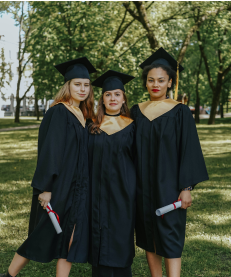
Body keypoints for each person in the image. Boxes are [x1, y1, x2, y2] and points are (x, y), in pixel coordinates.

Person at [0, 57, 96, 277]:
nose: (82, 89)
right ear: (68, 85)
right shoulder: (59, 112)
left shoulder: (83, 115)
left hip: (78, 187)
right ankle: (9, 274)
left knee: (70, 236)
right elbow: (49, 151)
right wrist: (45, 188)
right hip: (59, 186)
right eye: (77, 84)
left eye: (86, 85)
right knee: (43, 232)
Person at [130, 48, 209, 277]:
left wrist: (186, 188)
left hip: (170, 186)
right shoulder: (137, 111)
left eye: (161, 80)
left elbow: (189, 149)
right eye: (151, 80)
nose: (155, 84)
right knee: (147, 235)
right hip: (142, 186)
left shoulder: (180, 112)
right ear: (145, 83)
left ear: (170, 82)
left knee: (171, 234)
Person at [88, 70, 136, 277]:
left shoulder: (133, 126)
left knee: (121, 233)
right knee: (98, 233)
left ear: (124, 98)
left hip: (123, 191)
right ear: (102, 99)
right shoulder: (92, 126)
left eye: (117, 94)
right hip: (96, 191)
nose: (113, 98)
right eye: (108, 95)